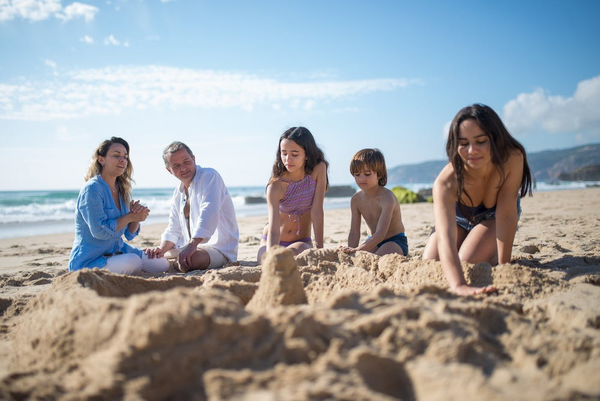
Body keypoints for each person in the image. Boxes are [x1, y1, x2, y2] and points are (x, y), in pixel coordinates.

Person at [422, 104, 533, 296]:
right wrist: (458, 285)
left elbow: (506, 214)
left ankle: (489, 251)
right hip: (457, 220)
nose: (472, 150)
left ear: (495, 138)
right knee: (430, 265)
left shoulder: (513, 157)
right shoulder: (445, 183)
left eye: (481, 141)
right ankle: (470, 240)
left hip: (492, 218)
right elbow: (445, 239)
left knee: (465, 262)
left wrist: (504, 266)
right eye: (463, 143)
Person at [69, 137, 170, 275]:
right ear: (101, 159)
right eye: (116, 155)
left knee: (162, 264)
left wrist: (136, 218)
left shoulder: (122, 189)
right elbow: (99, 231)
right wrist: (129, 217)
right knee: (133, 262)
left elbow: (129, 234)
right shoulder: (92, 189)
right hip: (90, 260)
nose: (122, 160)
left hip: (117, 251)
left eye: (125, 157)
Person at [144, 141, 239, 272]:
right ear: (169, 170)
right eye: (176, 165)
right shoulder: (178, 192)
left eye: (186, 162)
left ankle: (173, 262)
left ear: (194, 159)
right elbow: (174, 228)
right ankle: (168, 259)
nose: (183, 168)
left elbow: (209, 212)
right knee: (149, 256)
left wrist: (192, 245)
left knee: (189, 261)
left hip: (219, 248)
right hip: (189, 247)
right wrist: (161, 249)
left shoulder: (210, 176)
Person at [257, 127, 329, 262]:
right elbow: (273, 229)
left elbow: (317, 210)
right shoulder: (275, 186)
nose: (288, 159)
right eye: (284, 153)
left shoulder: (319, 169)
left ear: (307, 154)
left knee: (288, 257)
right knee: (271, 261)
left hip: (301, 241)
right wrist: (271, 256)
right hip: (271, 240)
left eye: (294, 154)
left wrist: (320, 250)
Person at [341, 148, 408, 256]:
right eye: (357, 174)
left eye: (367, 174)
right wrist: (351, 251)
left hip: (395, 241)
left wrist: (357, 250)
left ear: (380, 174)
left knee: (378, 257)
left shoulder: (387, 198)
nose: (361, 178)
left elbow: (381, 234)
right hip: (371, 241)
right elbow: (354, 232)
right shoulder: (356, 199)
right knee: (360, 258)